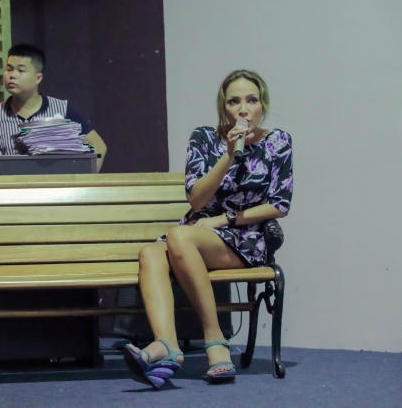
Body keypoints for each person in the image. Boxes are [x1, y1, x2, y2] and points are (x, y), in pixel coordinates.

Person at [123, 69, 293, 388]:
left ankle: (215, 340)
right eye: (234, 101)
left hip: (245, 237)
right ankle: (167, 345)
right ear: (222, 107)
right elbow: (197, 200)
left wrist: (224, 219)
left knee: (179, 237)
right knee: (150, 253)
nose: (243, 109)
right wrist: (227, 156)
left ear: (263, 105)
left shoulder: (278, 141)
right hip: (195, 231)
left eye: (251, 100)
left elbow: (279, 204)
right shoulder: (203, 137)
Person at [0, 44, 108, 171]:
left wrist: (85, 180)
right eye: (9, 69)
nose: (12, 75)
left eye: (21, 70)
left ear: (38, 78)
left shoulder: (62, 109)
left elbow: (98, 145)